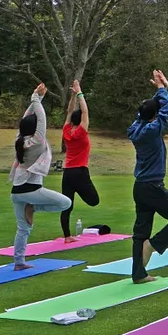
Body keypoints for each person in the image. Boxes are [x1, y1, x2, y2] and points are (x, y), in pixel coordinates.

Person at [126, 70, 168, 283]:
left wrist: (160, 91)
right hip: (153, 187)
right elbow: (166, 111)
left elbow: (146, 112)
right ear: (154, 116)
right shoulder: (154, 129)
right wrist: (162, 89)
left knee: (140, 231)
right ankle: (152, 245)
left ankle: (138, 273)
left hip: (140, 187)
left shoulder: (136, 128)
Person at [9, 83, 72, 270]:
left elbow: (25, 119)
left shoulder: (19, 140)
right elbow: (41, 119)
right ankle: (34, 207)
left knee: (23, 228)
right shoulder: (37, 141)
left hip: (16, 192)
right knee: (65, 203)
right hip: (31, 190)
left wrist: (38, 97)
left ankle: (19, 262)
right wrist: (35, 98)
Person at [59, 81, 101, 241]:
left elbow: (70, 111)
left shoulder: (67, 131)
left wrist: (73, 95)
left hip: (68, 172)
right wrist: (80, 93)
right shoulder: (82, 132)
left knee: (67, 205)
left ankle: (67, 236)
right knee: (94, 201)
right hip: (80, 172)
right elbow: (85, 110)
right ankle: (80, 190)